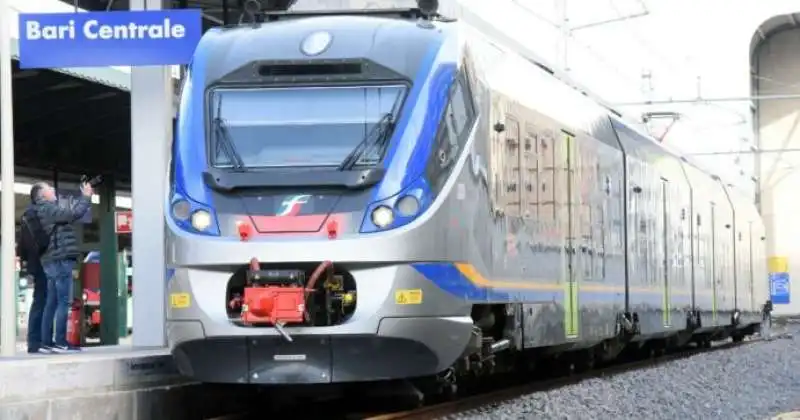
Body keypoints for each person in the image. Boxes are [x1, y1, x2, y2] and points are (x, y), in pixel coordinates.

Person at [33, 181, 93, 353]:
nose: (53, 190)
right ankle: (60, 341)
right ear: (43, 195)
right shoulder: (49, 209)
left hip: (50, 260)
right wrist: (86, 196)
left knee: (51, 302)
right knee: (63, 301)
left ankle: (46, 342)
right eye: (49, 189)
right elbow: (73, 214)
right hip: (60, 259)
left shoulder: (41, 211)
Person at [17, 188, 50, 354]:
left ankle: (34, 342)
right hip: (46, 261)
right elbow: (48, 238)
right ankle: (43, 341)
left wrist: (26, 262)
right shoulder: (42, 212)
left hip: (35, 263)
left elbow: (22, 245)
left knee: (39, 301)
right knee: (46, 301)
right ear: (41, 196)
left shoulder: (25, 216)